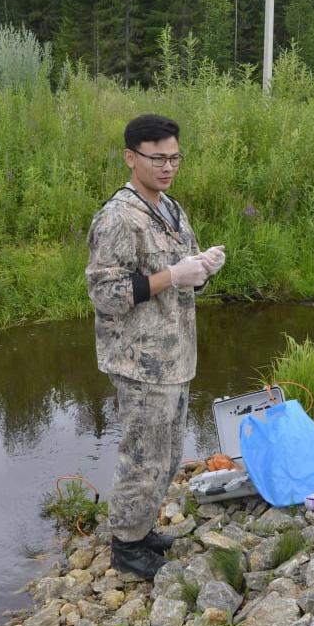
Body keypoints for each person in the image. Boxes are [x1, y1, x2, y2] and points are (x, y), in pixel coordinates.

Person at [85, 114, 226, 580]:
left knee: (167, 454)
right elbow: (105, 294)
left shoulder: (171, 209)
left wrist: (202, 269)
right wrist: (172, 275)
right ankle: (126, 547)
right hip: (140, 360)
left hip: (176, 354)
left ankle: (142, 530)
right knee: (142, 456)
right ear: (131, 157)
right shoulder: (118, 218)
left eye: (174, 158)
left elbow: (184, 275)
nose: (168, 167)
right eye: (158, 158)